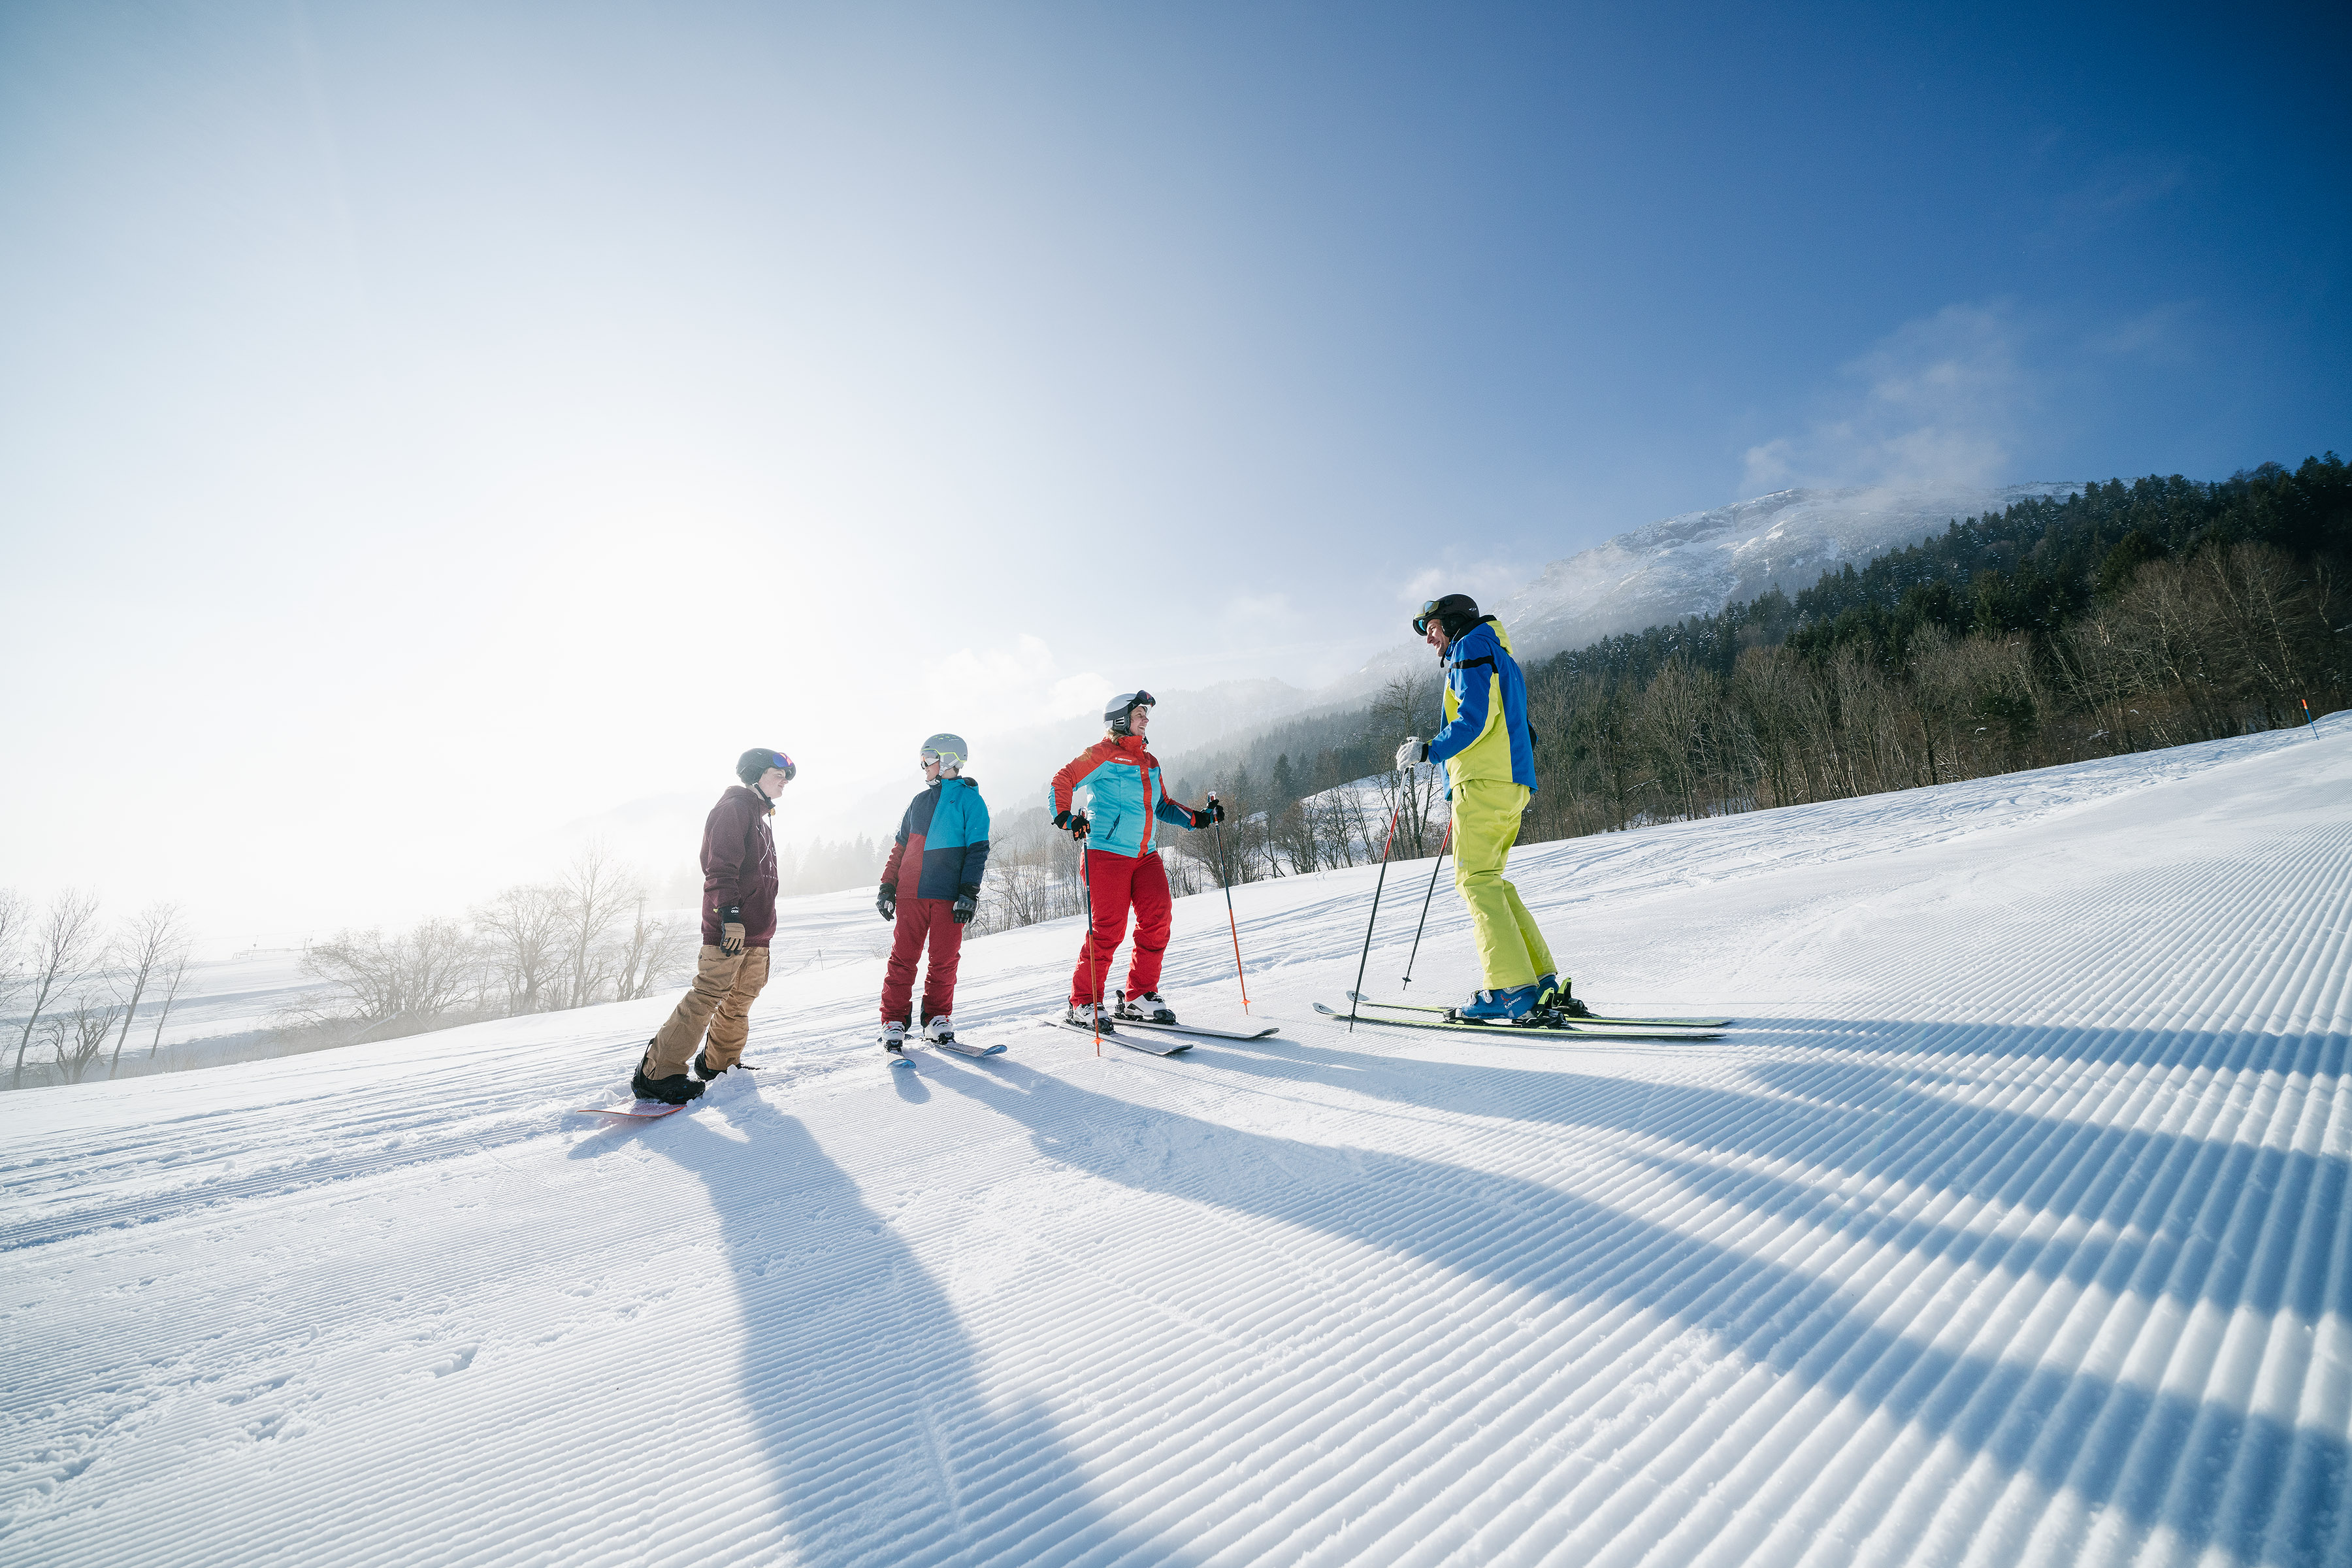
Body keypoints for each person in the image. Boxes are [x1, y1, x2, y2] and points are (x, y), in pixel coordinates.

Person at [1394, 594, 1578, 1022]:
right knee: (1491, 882)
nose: (1430, 640)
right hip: (1509, 782)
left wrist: (1431, 751)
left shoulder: (1469, 648)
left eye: (1432, 629)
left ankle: (1511, 989)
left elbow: (1473, 719)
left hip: (1483, 782)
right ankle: (1541, 982)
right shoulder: (1501, 656)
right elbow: (1524, 730)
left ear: (1452, 622)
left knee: (1475, 882)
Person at [1049, 691, 1222, 1030]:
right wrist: (1065, 816)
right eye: (1140, 714)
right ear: (1120, 719)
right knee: (1108, 929)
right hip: (1105, 853)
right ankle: (1084, 1002)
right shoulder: (1101, 754)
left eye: (1146, 714)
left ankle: (1140, 995)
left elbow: (1162, 805)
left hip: (1146, 855)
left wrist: (1199, 818)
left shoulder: (1150, 761)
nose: (1146, 719)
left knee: (1158, 918)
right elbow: (1063, 779)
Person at [632, 747, 792, 1103]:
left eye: (787, 777)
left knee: (740, 1000)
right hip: (731, 927)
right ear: (754, 775)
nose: (785, 781)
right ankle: (657, 1072)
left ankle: (720, 1062)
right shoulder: (733, 809)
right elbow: (719, 868)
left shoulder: (759, 817)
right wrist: (730, 916)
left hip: (758, 931)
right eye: (778, 774)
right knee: (708, 995)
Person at [875, 733, 990, 1055]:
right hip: (910, 893)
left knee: (944, 961)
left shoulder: (971, 801)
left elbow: (977, 851)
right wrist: (887, 886)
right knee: (903, 960)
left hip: (948, 896)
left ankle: (937, 1019)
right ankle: (893, 1021)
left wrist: (968, 892)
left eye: (928, 758)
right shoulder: (919, 801)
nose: (923, 765)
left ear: (949, 759)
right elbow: (900, 848)